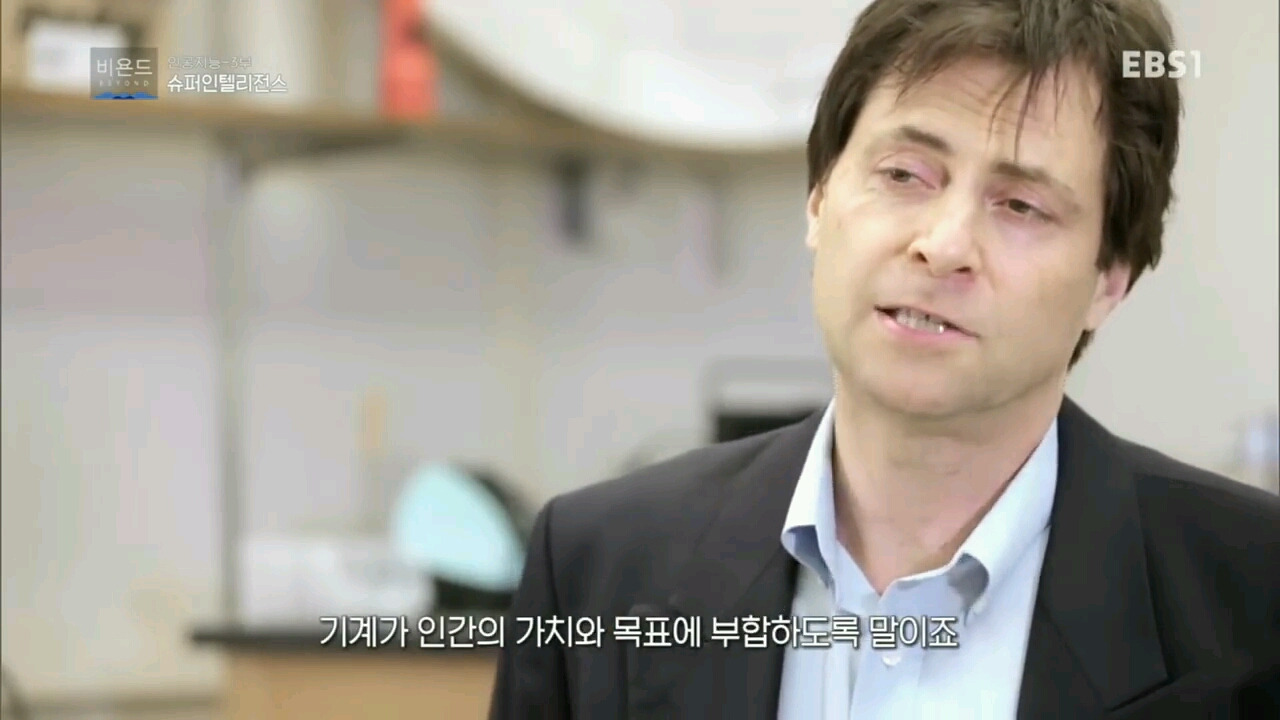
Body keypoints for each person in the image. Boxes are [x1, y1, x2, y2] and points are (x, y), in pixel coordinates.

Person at [488, 0, 1280, 717]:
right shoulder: (597, 567)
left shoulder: (1253, 595)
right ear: (819, 198)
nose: (943, 244)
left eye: (1020, 205)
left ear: (1110, 280)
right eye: (904, 174)